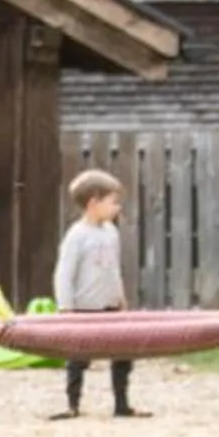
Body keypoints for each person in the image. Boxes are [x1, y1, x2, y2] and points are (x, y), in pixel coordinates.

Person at [53, 168, 144, 421]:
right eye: (113, 202)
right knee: (78, 358)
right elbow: (64, 273)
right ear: (94, 202)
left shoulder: (110, 233)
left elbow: (113, 269)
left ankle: (122, 403)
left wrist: (120, 296)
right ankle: (73, 404)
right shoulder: (77, 236)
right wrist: (66, 307)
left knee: (123, 353)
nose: (117, 208)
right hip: (84, 307)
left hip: (109, 305)